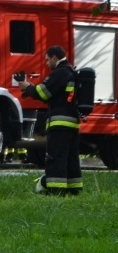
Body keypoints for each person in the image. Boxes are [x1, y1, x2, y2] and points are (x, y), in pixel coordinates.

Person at [17, 45, 82, 195]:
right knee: (71, 157)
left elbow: (44, 93)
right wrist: (30, 88)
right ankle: (73, 189)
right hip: (71, 122)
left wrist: (28, 87)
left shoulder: (60, 72)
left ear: (54, 58)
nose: (46, 63)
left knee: (56, 156)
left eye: (47, 60)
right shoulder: (70, 72)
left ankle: (56, 189)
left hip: (60, 123)